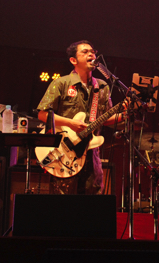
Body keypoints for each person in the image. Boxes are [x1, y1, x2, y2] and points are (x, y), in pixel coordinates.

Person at [37, 40, 125, 194]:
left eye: (93, 52)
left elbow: (105, 119)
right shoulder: (61, 83)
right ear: (73, 60)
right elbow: (43, 114)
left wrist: (125, 114)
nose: (91, 54)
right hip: (64, 154)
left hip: (91, 153)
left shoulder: (102, 86)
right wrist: (71, 124)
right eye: (85, 52)